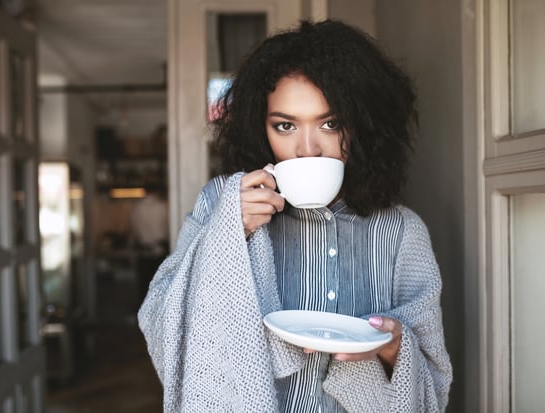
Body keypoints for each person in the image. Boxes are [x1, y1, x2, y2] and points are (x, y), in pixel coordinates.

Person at [139, 19, 452, 412]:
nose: (307, 148)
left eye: (330, 123)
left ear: (365, 124)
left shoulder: (402, 231)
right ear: (260, 128)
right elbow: (162, 325)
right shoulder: (223, 204)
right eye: (285, 126)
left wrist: (392, 347)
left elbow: (433, 387)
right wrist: (231, 236)